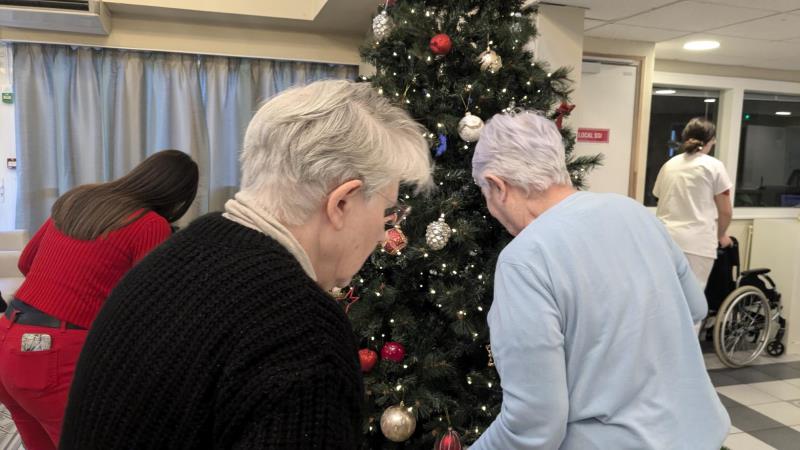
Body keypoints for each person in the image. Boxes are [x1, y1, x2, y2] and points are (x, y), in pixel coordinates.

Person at [59, 79, 434, 449]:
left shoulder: (181, 253)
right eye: (387, 212)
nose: (385, 235)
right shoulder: (301, 330)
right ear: (342, 203)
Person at [469, 111, 729, 450]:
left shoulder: (525, 259)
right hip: (699, 435)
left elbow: (532, 427)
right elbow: (695, 306)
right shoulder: (634, 213)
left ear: (498, 186)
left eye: (486, 196)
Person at [0, 149, 198, 450]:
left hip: (9, 340)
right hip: (52, 356)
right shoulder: (150, 225)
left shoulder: (78, 199)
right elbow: (151, 307)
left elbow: (26, 261)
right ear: (178, 198)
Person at [653, 117, 733, 291]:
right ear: (711, 140)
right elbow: (726, 211)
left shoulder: (669, 165)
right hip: (697, 245)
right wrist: (721, 235)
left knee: (665, 295)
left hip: (665, 241)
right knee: (692, 300)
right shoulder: (714, 166)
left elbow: (658, 197)